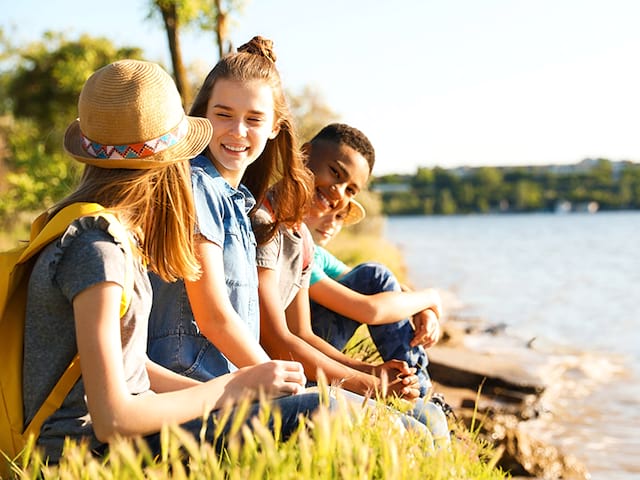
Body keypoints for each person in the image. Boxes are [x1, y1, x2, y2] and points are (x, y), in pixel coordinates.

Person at [23, 59, 322, 463]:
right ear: (167, 162)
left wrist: (241, 390)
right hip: (82, 459)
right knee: (324, 411)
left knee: (331, 410)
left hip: (113, 443)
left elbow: (136, 369)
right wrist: (231, 389)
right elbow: (113, 418)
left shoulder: (112, 240)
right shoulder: (98, 251)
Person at [146, 36, 313, 383]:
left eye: (254, 119)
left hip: (230, 381)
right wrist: (277, 379)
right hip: (192, 383)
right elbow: (213, 317)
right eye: (223, 115)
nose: (238, 131)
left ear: (273, 128)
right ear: (203, 115)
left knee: (417, 417)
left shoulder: (237, 203)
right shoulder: (196, 184)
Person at [253, 124, 423, 401]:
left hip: (290, 366)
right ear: (304, 155)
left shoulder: (302, 238)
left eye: (351, 190)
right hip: (259, 377)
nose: (338, 193)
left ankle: (418, 386)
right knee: (420, 426)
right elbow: (275, 340)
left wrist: (372, 371)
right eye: (335, 173)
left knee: (427, 420)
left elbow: (302, 333)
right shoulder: (263, 223)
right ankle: (421, 390)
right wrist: (371, 385)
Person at [305, 199, 451, 447]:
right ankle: (418, 388)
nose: (332, 223)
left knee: (377, 275)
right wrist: (431, 297)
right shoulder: (297, 253)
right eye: (330, 208)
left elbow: (383, 286)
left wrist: (424, 308)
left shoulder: (318, 254)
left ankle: (415, 387)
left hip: (315, 345)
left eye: (340, 217)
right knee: (375, 274)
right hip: (304, 351)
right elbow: (370, 307)